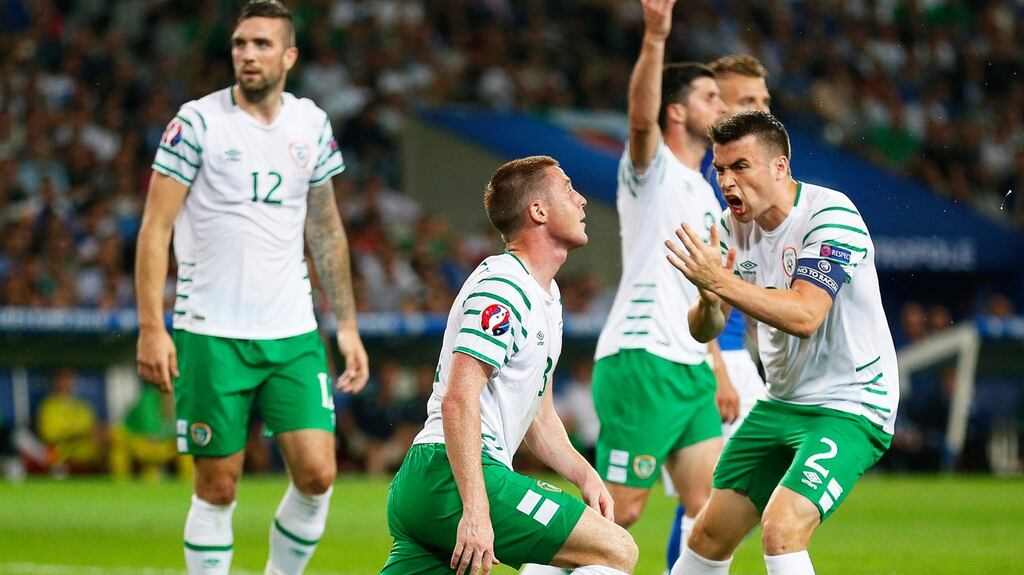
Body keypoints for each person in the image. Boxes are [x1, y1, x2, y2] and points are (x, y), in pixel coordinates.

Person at [134, 3, 369, 575]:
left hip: (292, 331)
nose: (247, 54)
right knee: (218, 485)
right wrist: (150, 326)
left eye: (262, 44)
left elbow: (325, 229)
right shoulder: (196, 123)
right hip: (211, 332)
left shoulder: (310, 123)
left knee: (318, 474)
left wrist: (348, 326)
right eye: (240, 44)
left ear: (289, 56)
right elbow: (155, 227)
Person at [665, 110, 899, 574]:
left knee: (782, 527)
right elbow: (704, 328)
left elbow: (806, 314)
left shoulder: (830, 215)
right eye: (720, 169)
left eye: (740, 167)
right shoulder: (733, 229)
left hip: (850, 404)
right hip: (781, 402)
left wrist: (722, 282)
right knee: (708, 535)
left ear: (780, 166)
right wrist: (709, 297)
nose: (727, 182)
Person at [380, 156, 638, 575]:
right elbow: (458, 400)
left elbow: (539, 416)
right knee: (615, 551)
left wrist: (585, 475)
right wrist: (477, 511)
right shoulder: (503, 287)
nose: (583, 200)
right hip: (455, 473)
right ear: (538, 210)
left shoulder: (546, 296)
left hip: (433, 480)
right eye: (569, 189)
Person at [592, 0, 727, 551]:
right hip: (642, 358)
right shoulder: (652, 171)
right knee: (618, 513)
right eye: (709, 97)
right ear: (677, 112)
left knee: (712, 511)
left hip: (690, 366)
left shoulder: (706, 192)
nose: (722, 106)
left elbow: (702, 294)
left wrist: (715, 365)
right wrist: (654, 36)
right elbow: (640, 120)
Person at [663, 54, 771, 571]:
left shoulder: (745, 181)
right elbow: (684, 283)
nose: (762, 110)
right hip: (706, 353)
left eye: (765, 102)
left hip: (728, 351)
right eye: (749, 102)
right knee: (717, 499)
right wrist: (719, 366)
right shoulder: (702, 180)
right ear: (716, 104)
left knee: (709, 499)